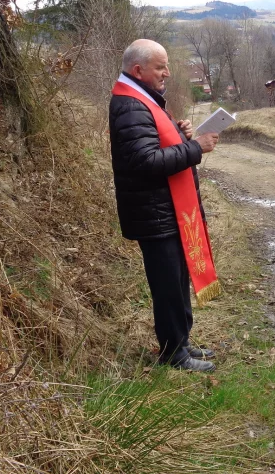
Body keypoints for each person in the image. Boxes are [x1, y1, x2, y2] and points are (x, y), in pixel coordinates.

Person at [110, 39, 221, 373]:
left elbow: (154, 144)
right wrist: (195, 148)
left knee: (177, 281)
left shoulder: (140, 98)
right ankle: (174, 354)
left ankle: (181, 342)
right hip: (155, 214)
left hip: (166, 210)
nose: (167, 73)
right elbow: (145, 161)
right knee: (168, 286)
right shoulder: (130, 106)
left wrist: (179, 133)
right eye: (160, 67)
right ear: (138, 70)